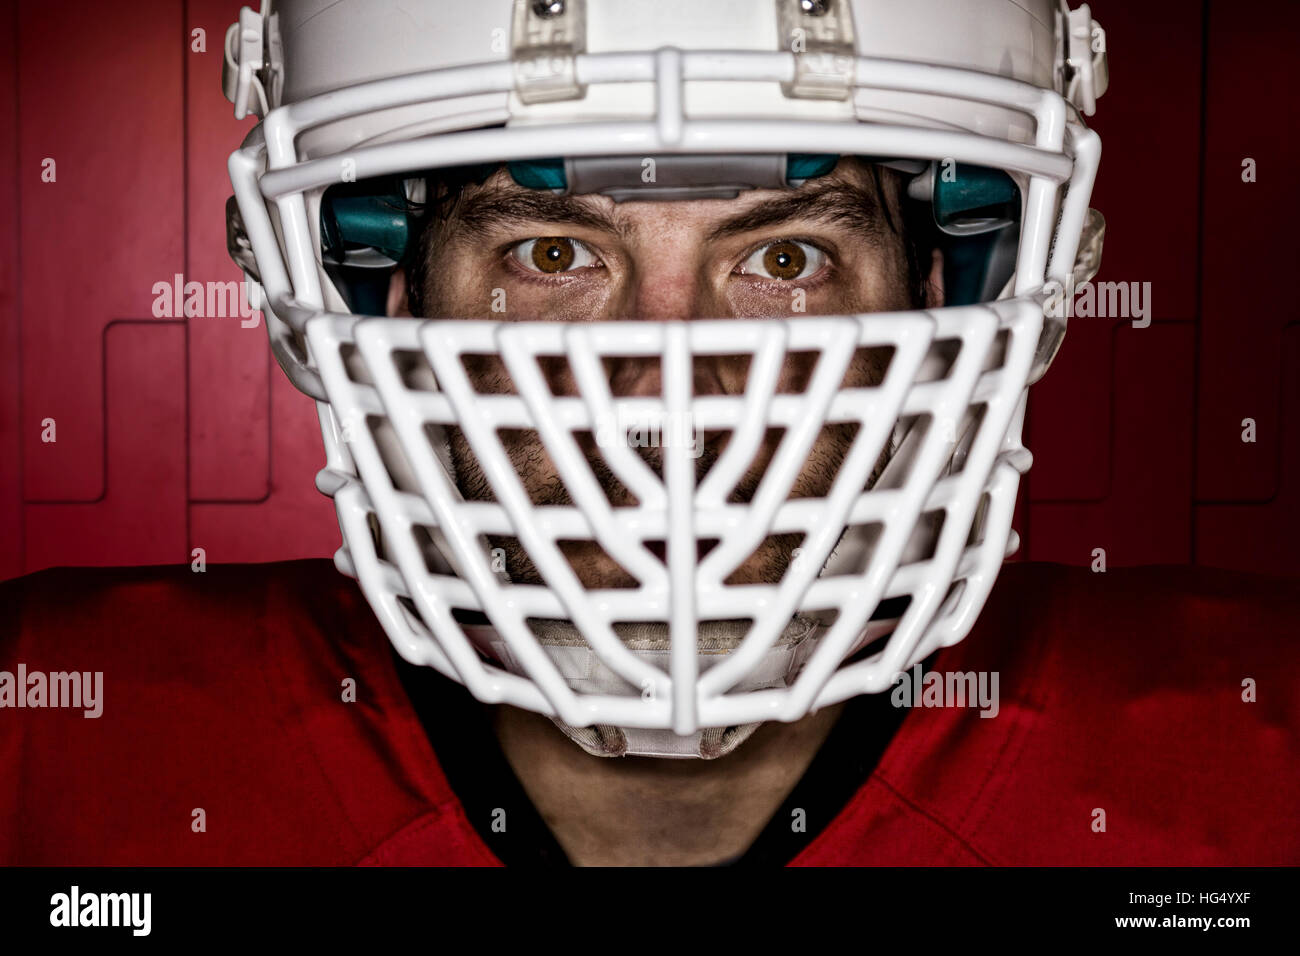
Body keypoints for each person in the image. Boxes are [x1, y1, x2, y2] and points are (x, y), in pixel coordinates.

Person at [2, 0, 1296, 867]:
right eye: (554, 252)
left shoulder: (1249, 769)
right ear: (381, 293)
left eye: (784, 255)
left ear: (947, 291)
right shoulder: (58, 756)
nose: (666, 386)